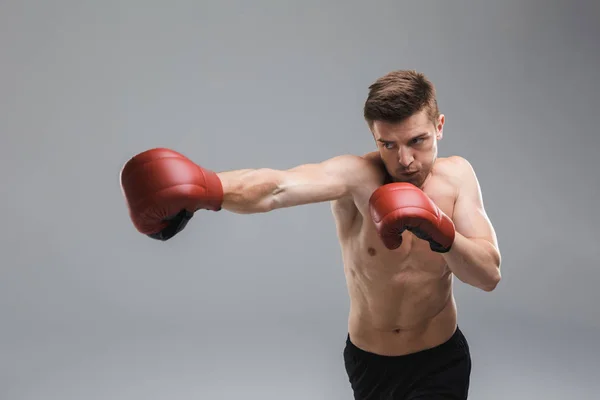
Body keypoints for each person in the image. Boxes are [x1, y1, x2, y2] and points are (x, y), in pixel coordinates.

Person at [120, 69, 501, 399]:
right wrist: (206, 188)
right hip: (370, 363)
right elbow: (278, 187)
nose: (404, 160)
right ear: (374, 138)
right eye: (388, 144)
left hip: (439, 359)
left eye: (417, 141)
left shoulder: (458, 177)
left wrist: (442, 233)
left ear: (439, 127)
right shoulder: (357, 177)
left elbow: (488, 275)